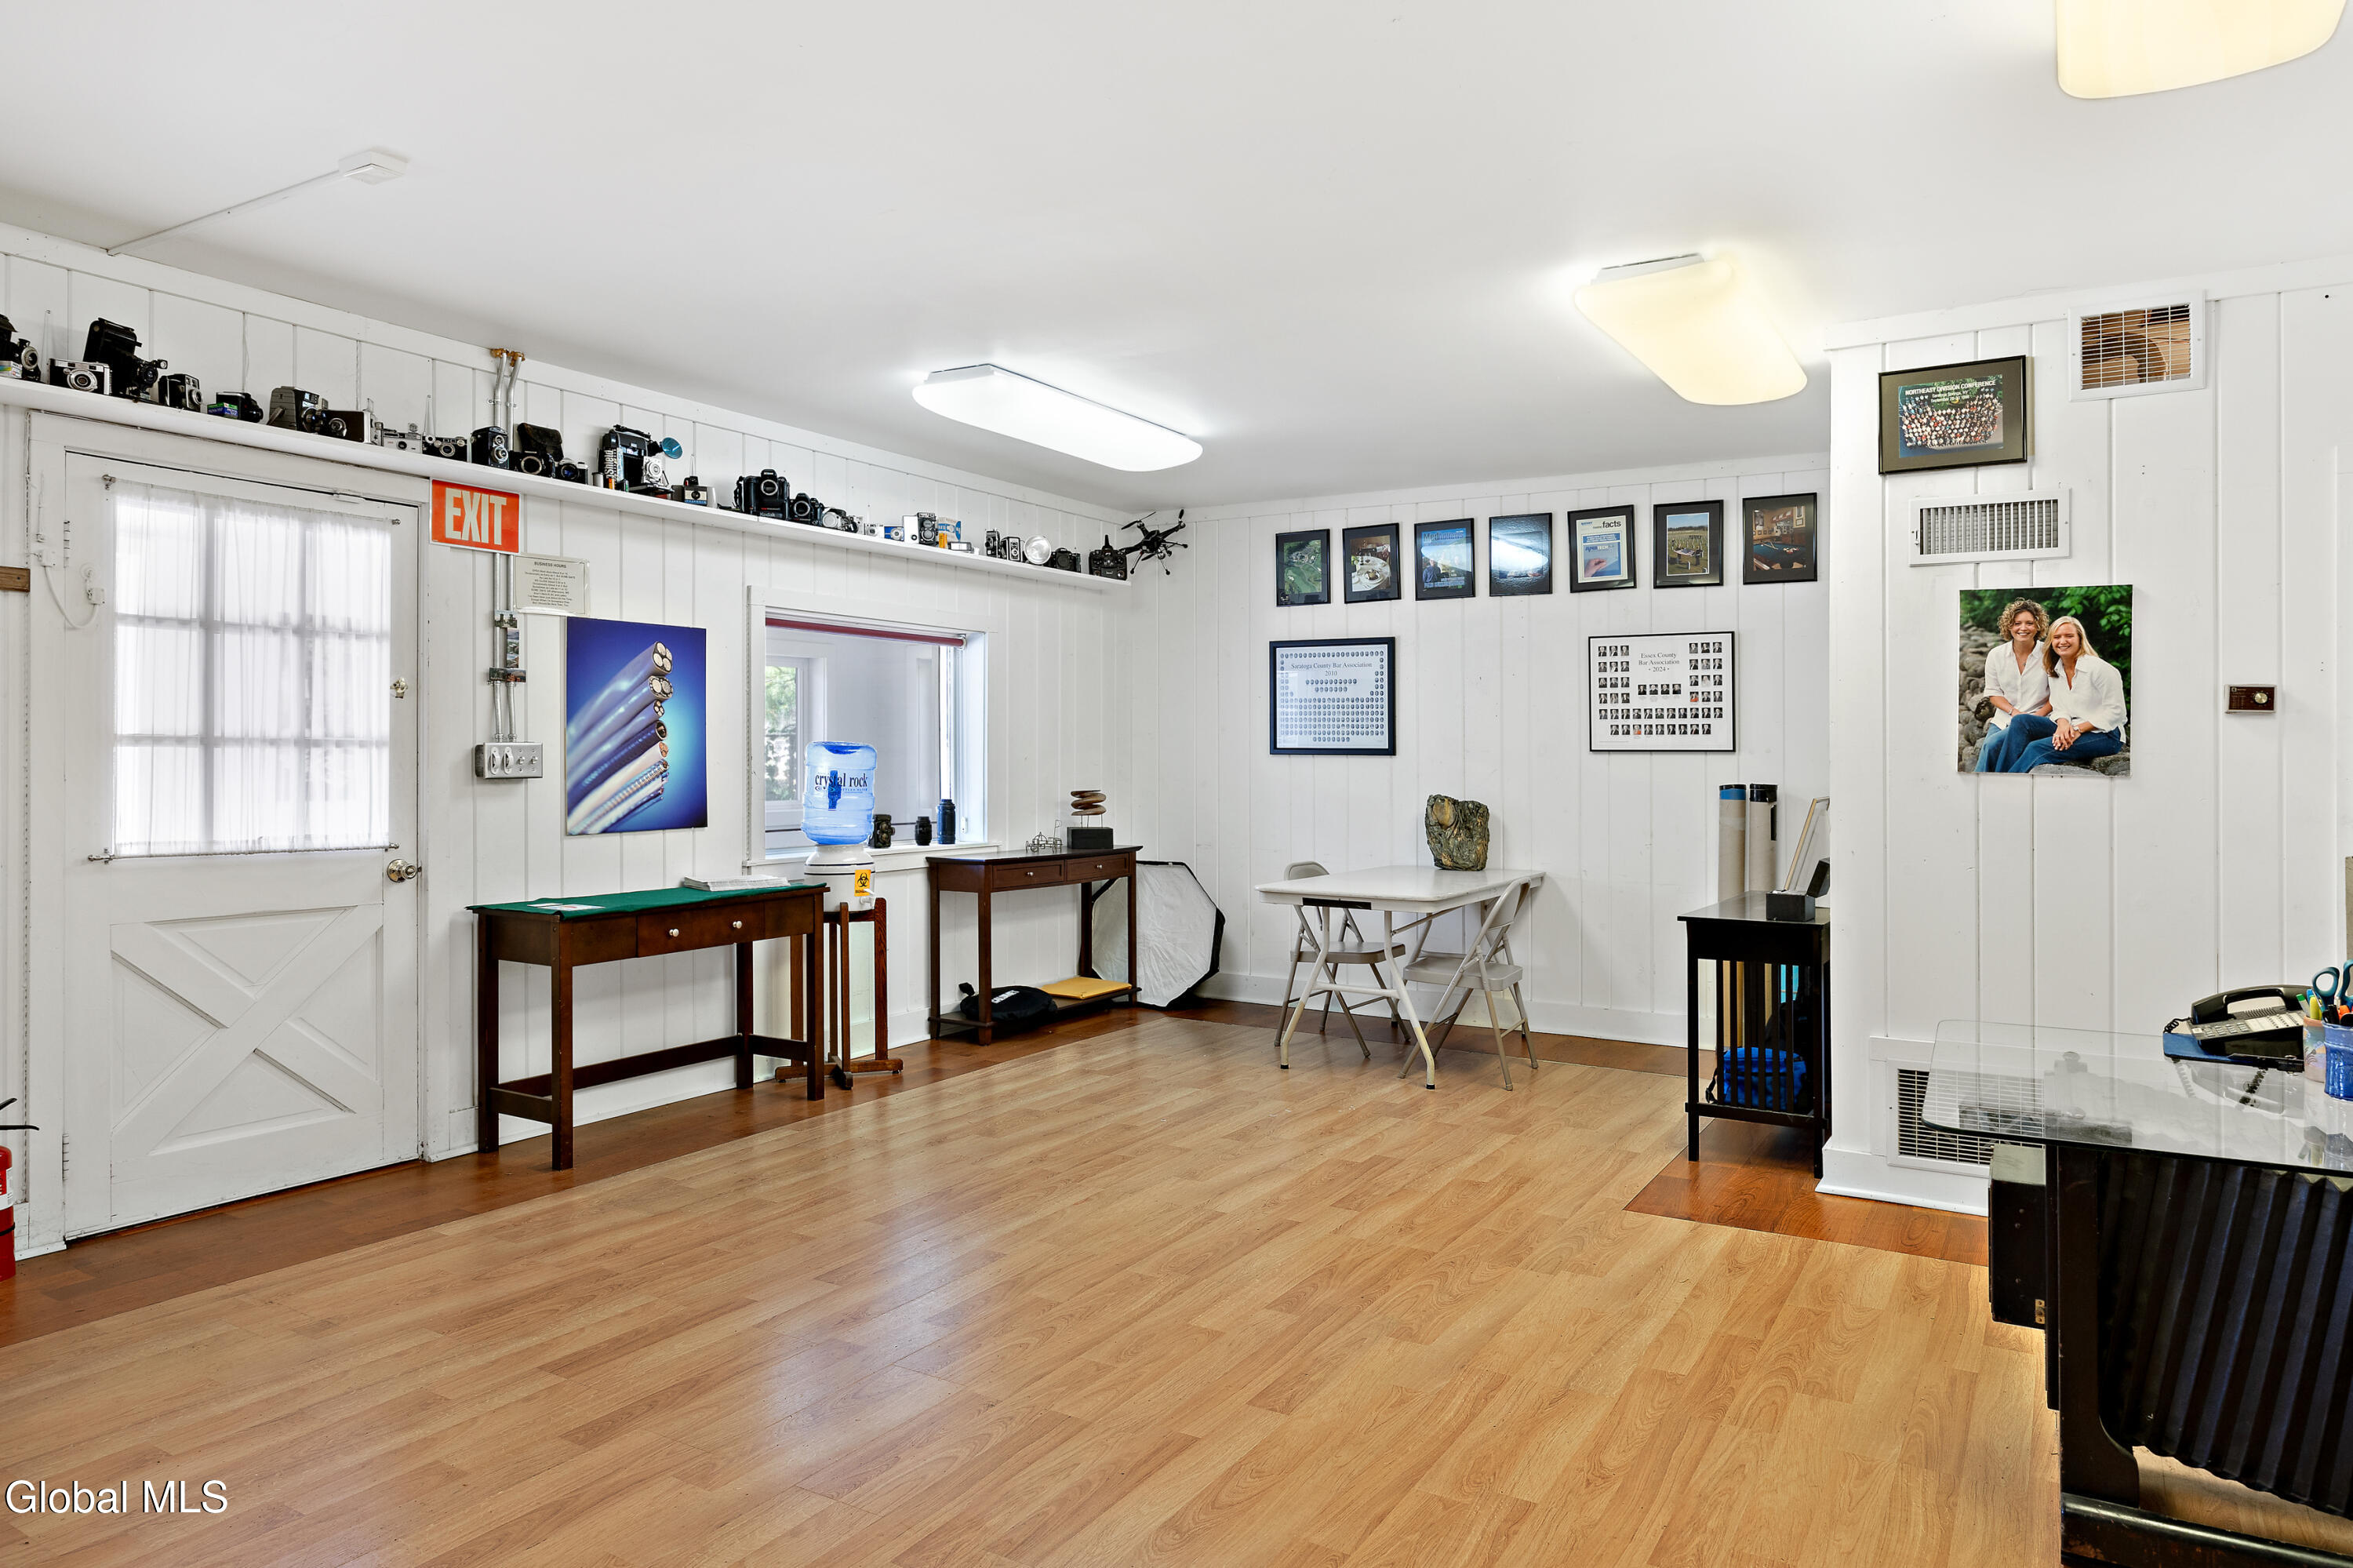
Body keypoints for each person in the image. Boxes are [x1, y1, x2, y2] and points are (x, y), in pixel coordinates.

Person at [2002, 613, 2126, 773]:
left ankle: (2009, 782)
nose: (2062, 641)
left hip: (2105, 734)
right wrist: (2063, 724)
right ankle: (2000, 775)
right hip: (2072, 726)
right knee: (2021, 721)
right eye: (2057, 637)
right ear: (2051, 642)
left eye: (2069, 636)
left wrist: (2078, 729)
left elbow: (2117, 712)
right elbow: (2059, 706)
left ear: (2080, 639)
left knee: (2036, 748)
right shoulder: (2056, 669)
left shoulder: (2100, 669)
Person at [1973, 598, 2050, 772]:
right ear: (2009, 626)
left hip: (2039, 718)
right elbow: (1993, 693)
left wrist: (2033, 719)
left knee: (1995, 745)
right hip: (2005, 719)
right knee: (1990, 746)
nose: (2023, 628)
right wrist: (2015, 713)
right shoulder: (1996, 655)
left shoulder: (2049, 654)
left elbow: (2057, 694)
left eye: (2029, 623)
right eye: (2017, 623)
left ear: (2038, 626)